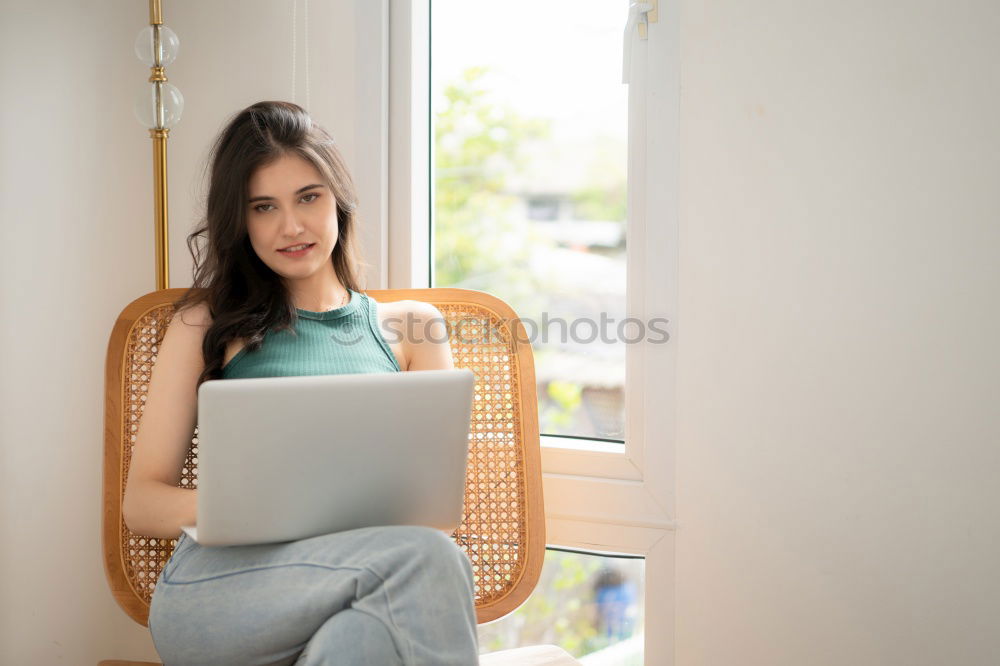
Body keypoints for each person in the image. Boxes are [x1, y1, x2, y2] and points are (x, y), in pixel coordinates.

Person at [122, 101, 479, 665]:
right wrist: (259, 507)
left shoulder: (414, 327)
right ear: (240, 222)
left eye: (308, 197)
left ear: (338, 198)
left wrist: (325, 514)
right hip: (219, 596)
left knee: (360, 642)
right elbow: (141, 503)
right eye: (264, 207)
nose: (291, 226)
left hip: (359, 580)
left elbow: (431, 511)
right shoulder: (204, 325)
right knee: (429, 559)